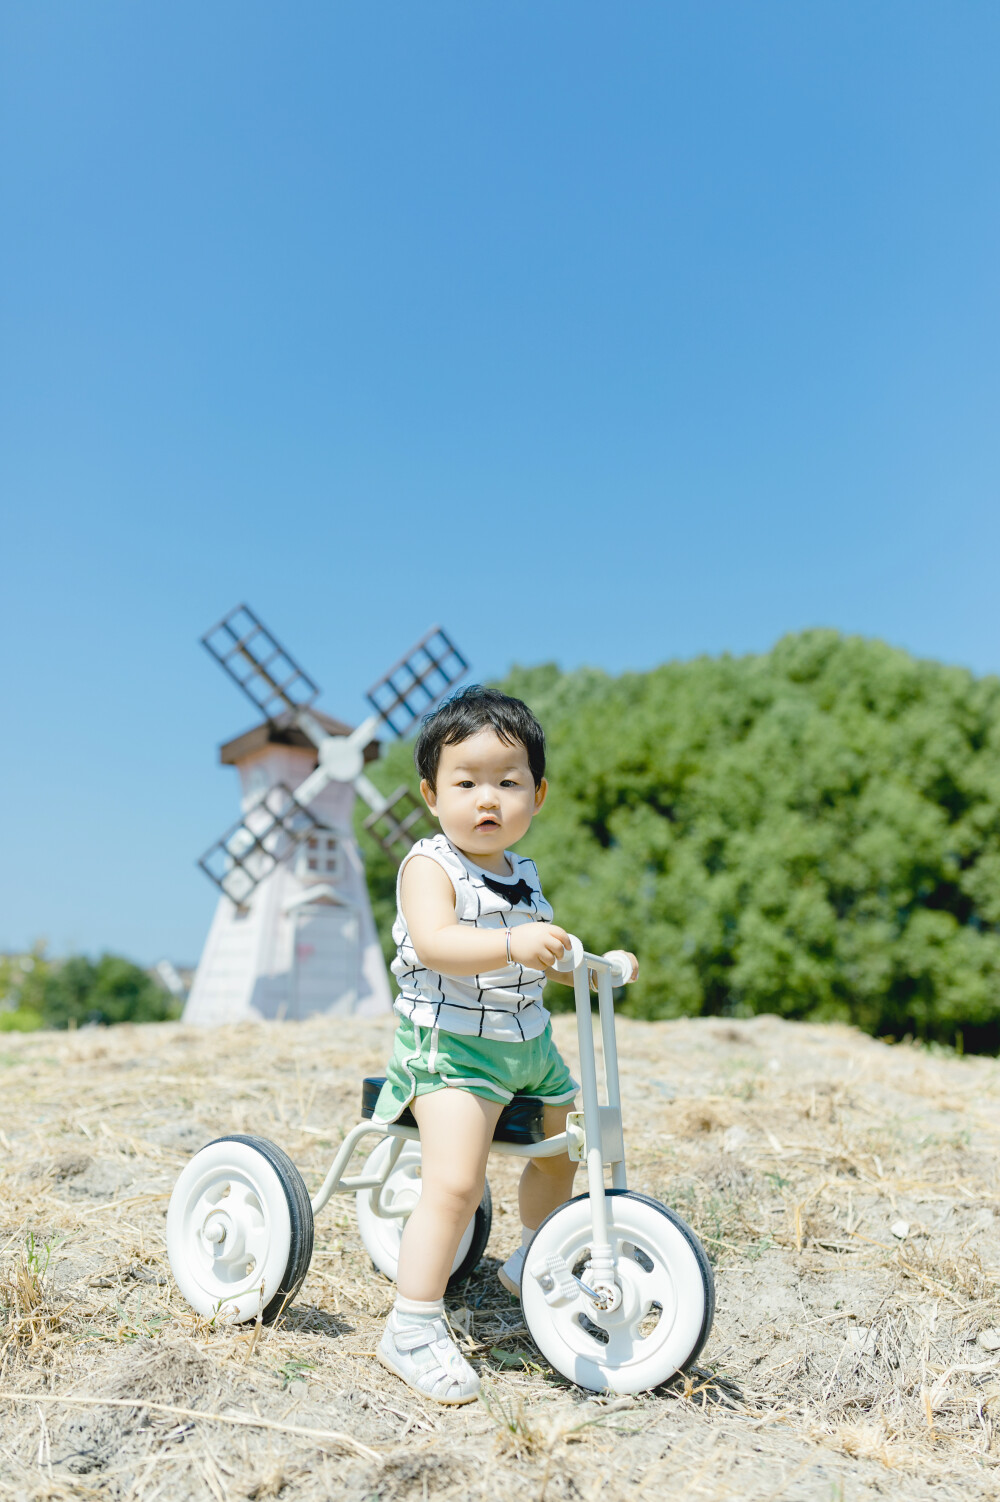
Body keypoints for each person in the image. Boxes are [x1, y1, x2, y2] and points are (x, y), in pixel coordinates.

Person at [372, 686, 638, 1404]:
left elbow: (537, 952)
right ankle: (412, 1324)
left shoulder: (523, 873)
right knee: (456, 1183)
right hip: (451, 1050)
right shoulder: (430, 867)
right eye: (466, 783)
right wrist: (511, 942)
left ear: (538, 794)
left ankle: (533, 1251)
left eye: (507, 782)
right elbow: (437, 943)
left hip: (525, 1044)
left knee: (559, 1145)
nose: (486, 799)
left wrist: (585, 958)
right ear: (431, 794)